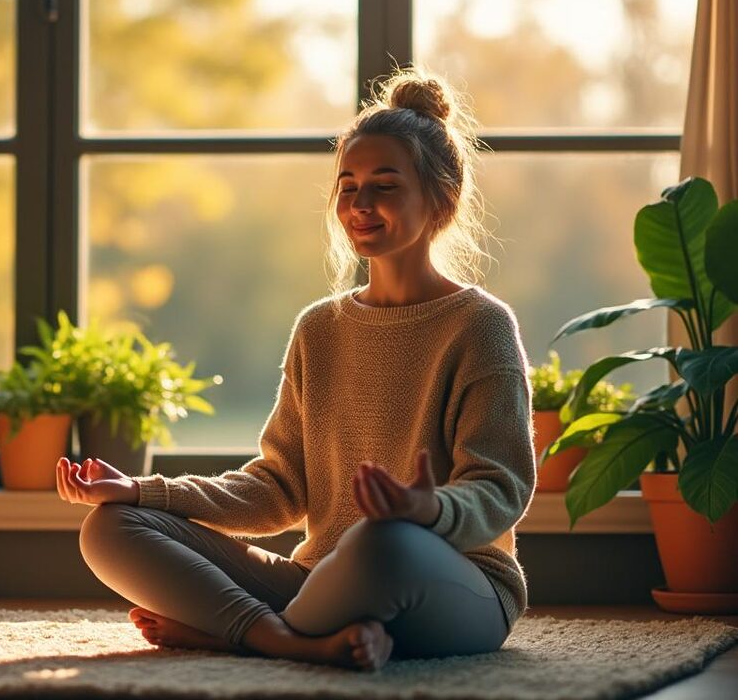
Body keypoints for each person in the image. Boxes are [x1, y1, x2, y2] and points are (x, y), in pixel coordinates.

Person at [54, 67, 535, 672]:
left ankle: (234, 632)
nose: (360, 205)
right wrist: (142, 491)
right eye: (348, 185)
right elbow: (277, 490)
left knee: (377, 541)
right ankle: (292, 639)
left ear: (440, 199)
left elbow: (501, 487)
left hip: (453, 582)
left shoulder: (480, 325)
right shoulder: (320, 329)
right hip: (321, 583)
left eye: (384, 186)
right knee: (109, 529)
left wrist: (426, 511)